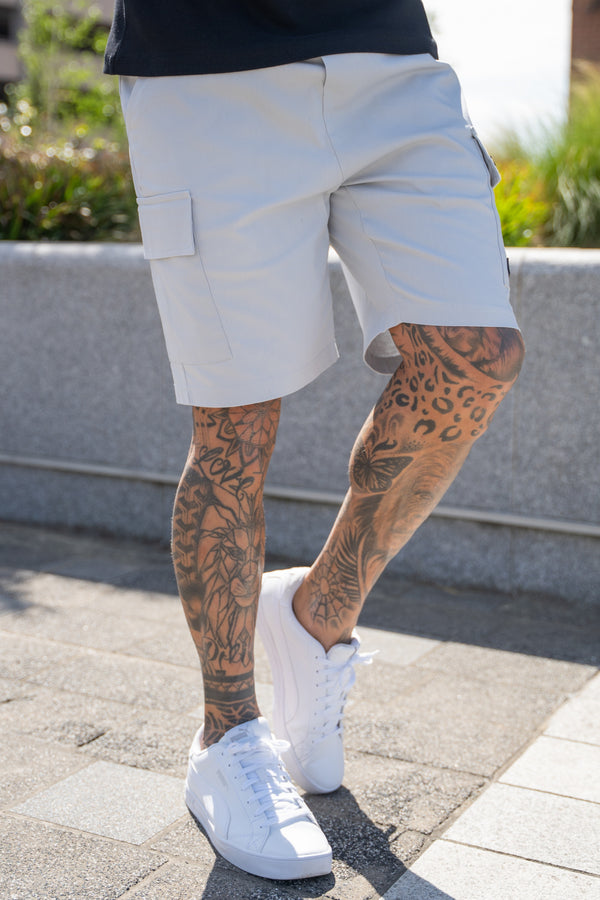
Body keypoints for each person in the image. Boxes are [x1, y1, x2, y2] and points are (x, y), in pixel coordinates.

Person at [105, 0, 525, 881]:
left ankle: (315, 616)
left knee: (476, 356)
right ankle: (227, 737)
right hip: (206, 67)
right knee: (234, 425)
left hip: (390, 57)